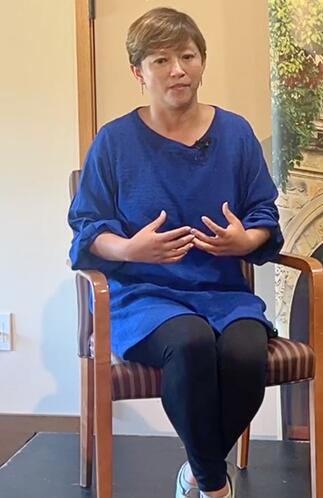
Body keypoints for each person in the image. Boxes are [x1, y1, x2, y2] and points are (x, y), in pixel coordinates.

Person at [68, 8, 284, 498]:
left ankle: (198, 471)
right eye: (161, 60)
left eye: (187, 56)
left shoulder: (235, 134)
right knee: (189, 344)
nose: (177, 70)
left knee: (246, 353)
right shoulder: (115, 142)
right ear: (138, 73)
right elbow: (86, 229)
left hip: (222, 293)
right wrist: (131, 248)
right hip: (144, 296)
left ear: (202, 62)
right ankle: (213, 484)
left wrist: (243, 242)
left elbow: (263, 214)